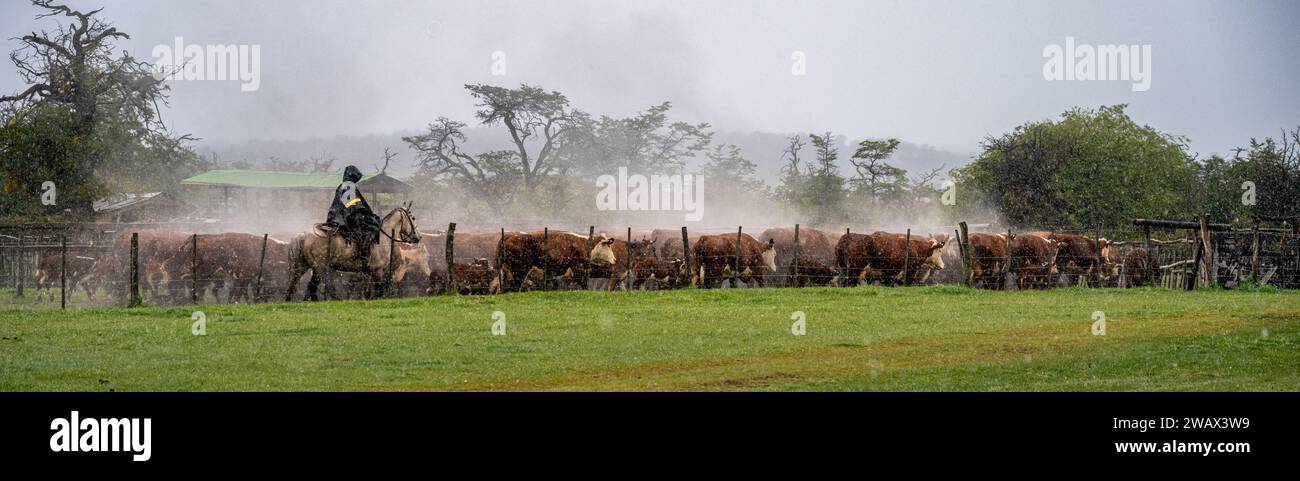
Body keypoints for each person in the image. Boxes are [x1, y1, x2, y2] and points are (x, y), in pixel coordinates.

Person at [325, 166, 382, 262]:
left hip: (339, 216)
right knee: (373, 227)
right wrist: (366, 214)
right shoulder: (348, 186)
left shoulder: (344, 185)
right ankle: (363, 253)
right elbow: (353, 206)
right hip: (344, 218)